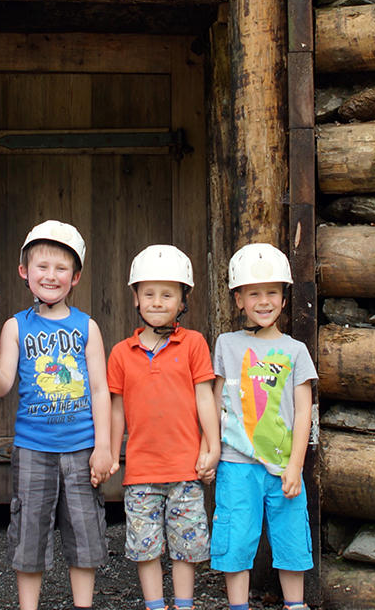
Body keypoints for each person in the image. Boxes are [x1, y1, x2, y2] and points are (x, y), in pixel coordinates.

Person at [0, 220, 111, 610]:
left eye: (61, 268)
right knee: (29, 532)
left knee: (84, 533)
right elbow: (1, 384)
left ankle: (83, 605)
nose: (51, 275)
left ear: (76, 277)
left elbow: (101, 389)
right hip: (33, 448)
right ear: (24, 271)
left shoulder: (87, 327)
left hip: (82, 447)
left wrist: (103, 447)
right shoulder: (16, 326)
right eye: (42, 266)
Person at [106, 245, 219, 610]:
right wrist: (110, 452)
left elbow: (206, 398)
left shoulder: (194, 344)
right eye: (149, 293)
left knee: (186, 547)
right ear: (136, 297)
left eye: (167, 294)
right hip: (141, 470)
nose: (157, 301)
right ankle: (155, 605)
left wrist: (211, 447)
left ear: (183, 300)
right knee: (145, 546)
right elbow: (117, 409)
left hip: (186, 467)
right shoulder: (122, 353)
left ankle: (183, 604)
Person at [211, 243, 317, 610]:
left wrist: (296, 465)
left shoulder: (295, 351)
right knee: (237, 538)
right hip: (236, 463)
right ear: (238, 299)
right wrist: (209, 448)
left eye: (272, 292)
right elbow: (215, 400)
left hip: (284, 465)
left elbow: (304, 412)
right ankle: (238, 606)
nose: (264, 301)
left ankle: (295, 604)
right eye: (253, 293)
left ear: (284, 299)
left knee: (291, 539)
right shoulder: (226, 344)